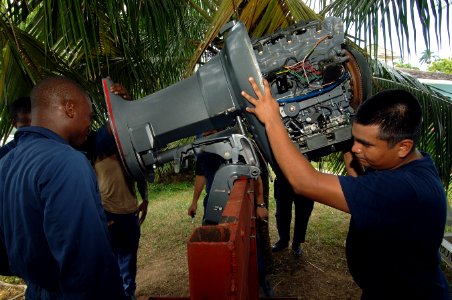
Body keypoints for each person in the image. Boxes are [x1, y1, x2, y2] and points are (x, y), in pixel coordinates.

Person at [242, 79, 449, 299]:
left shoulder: (403, 189)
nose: (355, 148)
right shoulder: (409, 165)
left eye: (366, 144)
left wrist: (272, 120)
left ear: (403, 147)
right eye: (355, 138)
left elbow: (305, 182)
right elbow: (358, 178)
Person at [0, 76, 126, 299]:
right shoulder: (66, 162)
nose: (89, 125)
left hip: (36, 289)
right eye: (89, 116)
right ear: (70, 108)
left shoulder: (6, 163)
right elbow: (89, 270)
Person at [80, 83, 148, 299]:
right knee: (112, 265)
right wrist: (120, 107)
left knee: (129, 263)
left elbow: (138, 169)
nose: (87, 124)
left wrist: (144, 198)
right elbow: (109, 130)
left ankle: (128, 294)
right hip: (109, 214)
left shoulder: (122, 146)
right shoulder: (91, 146)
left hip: (129, 212)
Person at [271, 175, 314, 257]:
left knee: (303, 215)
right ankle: (283, 241)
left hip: (304, 180)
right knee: (281, 214)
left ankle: (297, 243)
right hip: (282, 180)